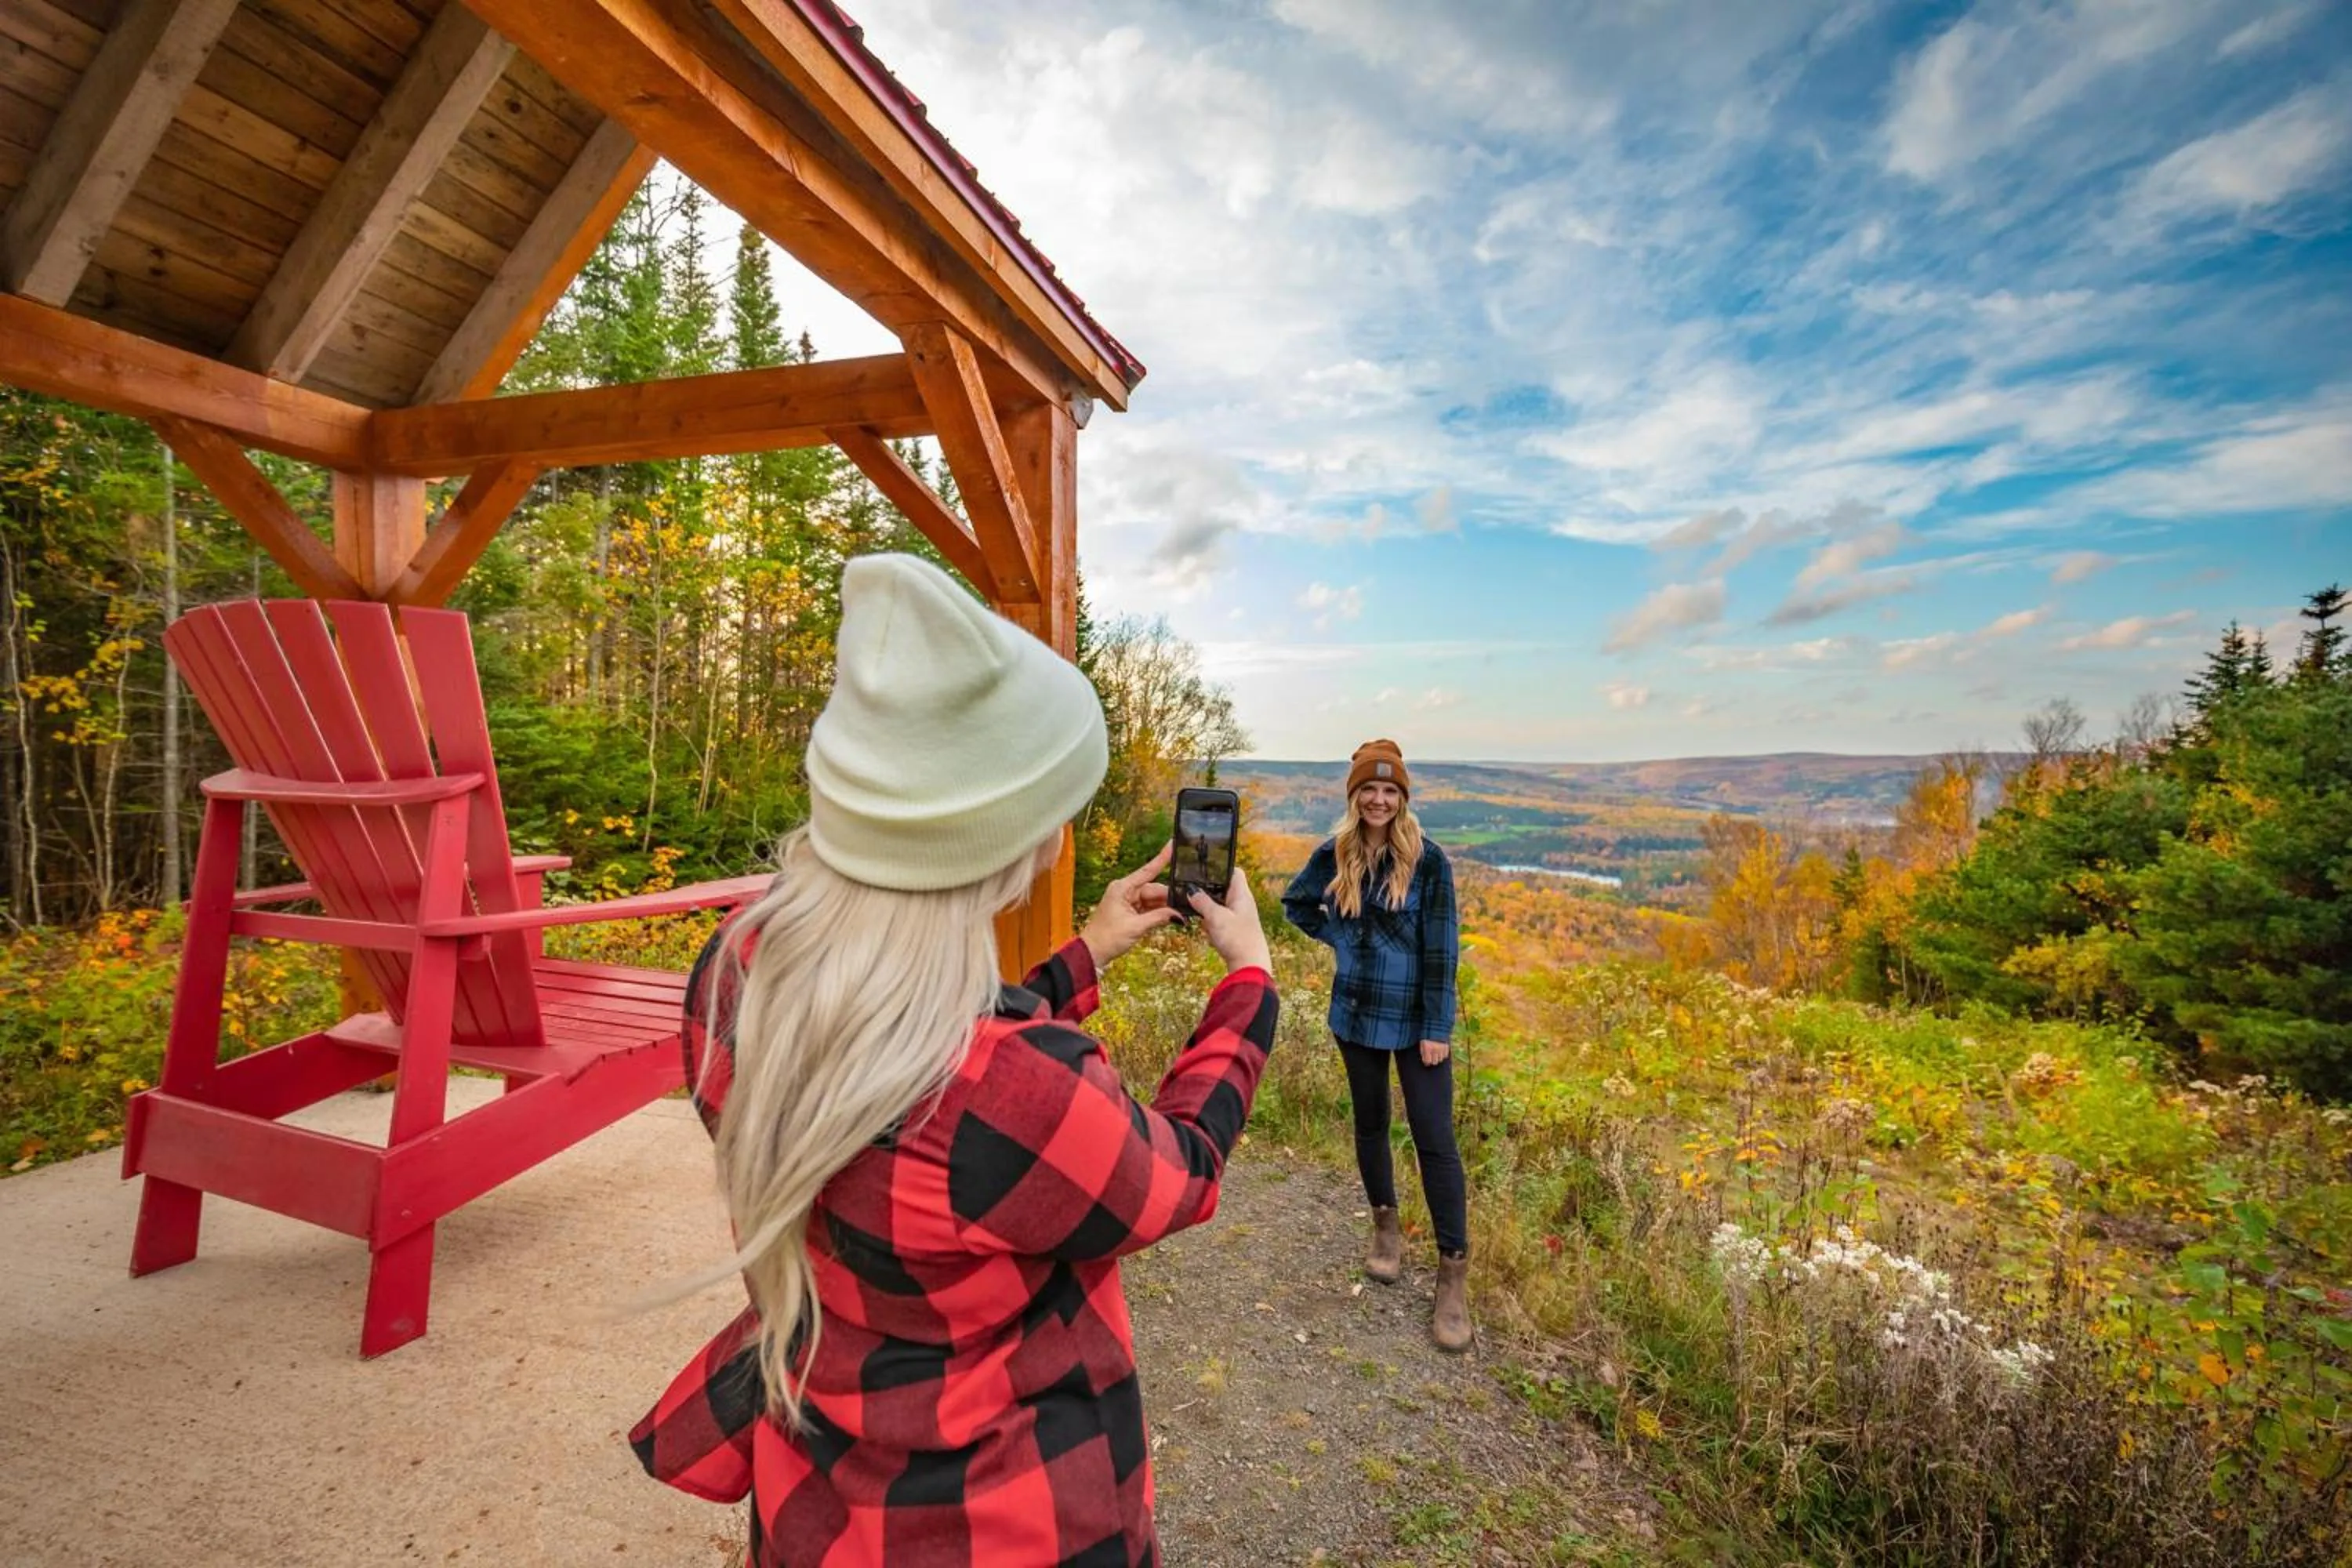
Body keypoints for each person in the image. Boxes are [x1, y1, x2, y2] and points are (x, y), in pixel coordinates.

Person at [631, 554, 1279, 1566]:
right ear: (1012, 842)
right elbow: (1180, 1174)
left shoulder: (741, 969)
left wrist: (1089, 952)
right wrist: (1249, 982)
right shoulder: (1011, 1085)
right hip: (1002, 1521)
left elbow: (915, 1046)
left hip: (817, 1485)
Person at [1280, 739, 1470, 1352]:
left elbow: (1443, 951)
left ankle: (1452, 1272)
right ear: (1355, 795)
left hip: (1417, 1023)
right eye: (1370, 789)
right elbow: (1295, 904)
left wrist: (1438, 1027)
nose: (1380, 800)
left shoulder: (1430, 861)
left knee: (1434, 1140)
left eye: (1391, 791)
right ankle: (1385, 1229)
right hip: (1355, 1014)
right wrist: (1341, 936)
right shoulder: (1337, 853)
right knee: (1370, 1124)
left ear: (1403, 798)